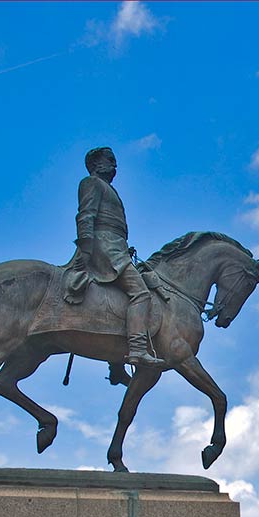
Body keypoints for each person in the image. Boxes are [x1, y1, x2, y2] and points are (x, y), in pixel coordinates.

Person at [63, 146, 168, 367]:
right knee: (140, 294)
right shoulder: (91, 183)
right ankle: (138, 350)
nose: (115, 165)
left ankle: (115, 365)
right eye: (110, 160)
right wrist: (87, 247)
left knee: (118, 298)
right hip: (104, 248)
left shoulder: (109, 189)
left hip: (116, 247)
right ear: (95, 164)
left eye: (115, 161)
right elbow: (85, 216)